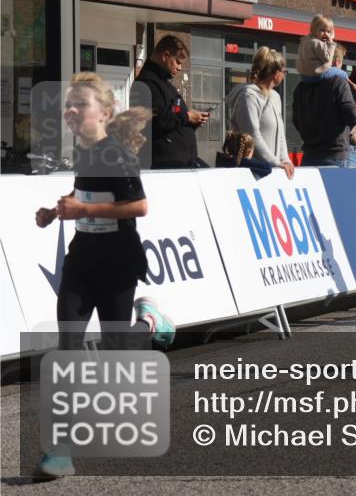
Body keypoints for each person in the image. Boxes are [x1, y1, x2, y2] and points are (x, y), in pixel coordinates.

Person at [34, 73, 175, 479]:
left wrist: (84, 211)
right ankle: (59, 453)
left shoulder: (117, 155)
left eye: (80, 104)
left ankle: (148, 324)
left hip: (117, 265)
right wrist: (57, 211)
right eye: (68, 104)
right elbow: (88, 196)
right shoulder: (85, 152)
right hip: (81, 264)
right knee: (67, 352)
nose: (70, 111)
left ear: (105, 113)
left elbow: (139, 207)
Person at [132, 35, 209, 168]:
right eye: (178, 62)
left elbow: (173, 112)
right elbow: (157, 120)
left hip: (180, 164)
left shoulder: (165, 85)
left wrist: (191, 120)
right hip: (165, 167)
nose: (180, 68)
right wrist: (187, 117)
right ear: (165, 55)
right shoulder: (146, 84)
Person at [225, 47, 294, 179]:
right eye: (284, 71)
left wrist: (285, 160)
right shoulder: (248, 96)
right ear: (275, 73)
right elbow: (252, 135)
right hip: (252, 173)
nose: (284, 75)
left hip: (270, 171)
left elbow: (280, 135)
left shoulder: (275, 97)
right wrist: (275, 162)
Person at [292, 47, 356, 168]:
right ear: (336, 62)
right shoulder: (338, 82)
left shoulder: (301, 86)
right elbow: (352, 118)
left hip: (309, 155)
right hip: (334, 156)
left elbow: (296, 120)